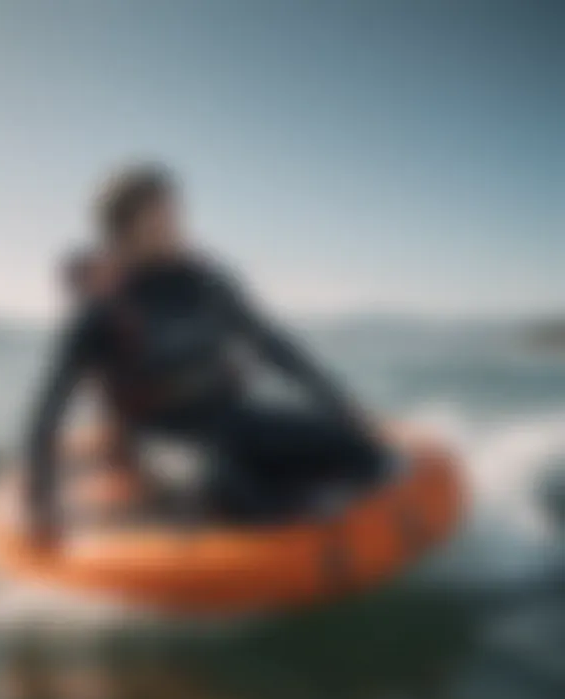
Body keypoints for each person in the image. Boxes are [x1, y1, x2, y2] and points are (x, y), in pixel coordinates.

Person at [26, 164, 385, 544]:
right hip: (159, 440)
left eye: (173, 212)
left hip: (232, 420)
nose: (175, 224)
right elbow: (50, 407)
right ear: (123, 232)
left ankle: (294, 494)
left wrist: (339, 404)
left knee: (362, 453)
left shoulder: (207, 283)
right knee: (236, 489)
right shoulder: (101, 311)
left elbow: (273, 345)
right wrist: (41, 502)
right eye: (159, 216)